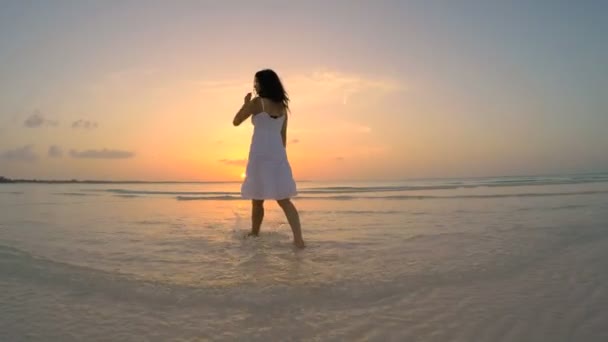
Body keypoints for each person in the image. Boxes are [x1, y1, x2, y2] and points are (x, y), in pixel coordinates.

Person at [232, 69, 305, 248]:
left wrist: (245, 104)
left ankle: (255, 233)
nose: (254, 85)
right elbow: (283, 136)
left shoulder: (257, 103)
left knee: (257, 199)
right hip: (277, 154)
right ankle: (299, 240)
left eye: (256, 82)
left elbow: (236, 121)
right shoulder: (282, 107)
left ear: (262, 84)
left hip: (260, 154)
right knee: (284, 199)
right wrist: (281, 158)